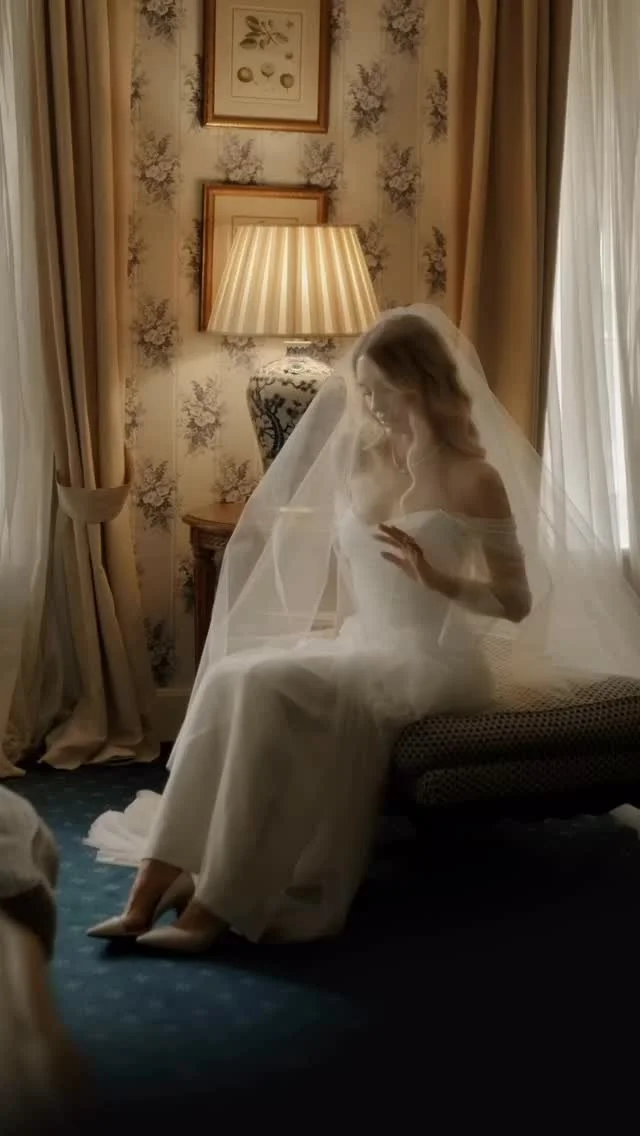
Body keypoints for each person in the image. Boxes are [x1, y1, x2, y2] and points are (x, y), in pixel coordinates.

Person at [85, 305, 640, 954]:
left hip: (435, 664)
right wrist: (328, 632)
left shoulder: (475, 478)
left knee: (263, 686)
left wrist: (440, 579)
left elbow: (515, 602)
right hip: (364, 643)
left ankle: (210, 911)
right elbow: (355, 576)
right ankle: (150, 892)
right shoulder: (363, 457)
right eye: (365, 389)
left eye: (382, 390)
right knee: (232, 677)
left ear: (421, 385)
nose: (370, 405)